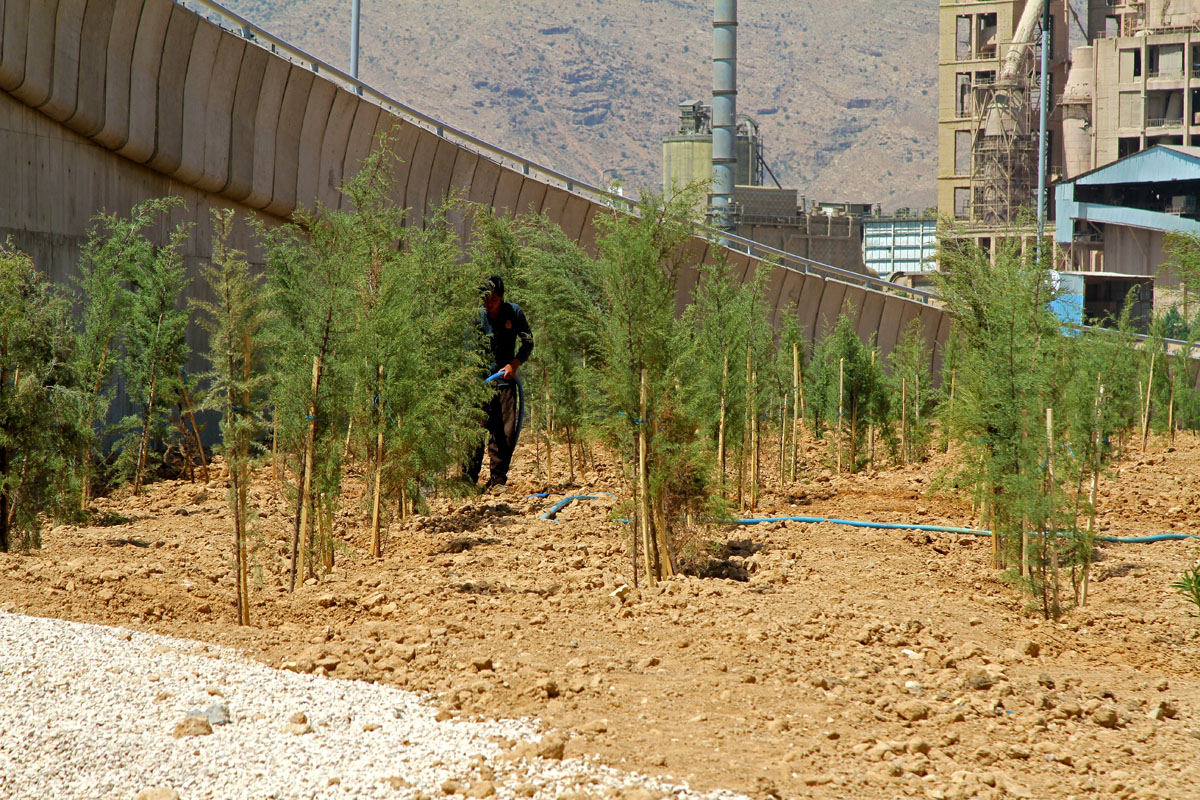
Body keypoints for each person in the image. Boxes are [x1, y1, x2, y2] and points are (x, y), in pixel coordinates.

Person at [467, 275, 533, 491]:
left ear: (502, 297)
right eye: (485, 299)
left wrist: (514, 364)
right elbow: (466, 347)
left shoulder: (514, 313)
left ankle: (497, 481)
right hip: (479, 383)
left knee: (504, 431)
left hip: (504, 382)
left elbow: (528, 342)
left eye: (493, 298)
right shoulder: (477, 317)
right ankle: (467, 481)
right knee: (474, 431)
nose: (489, 303)